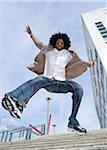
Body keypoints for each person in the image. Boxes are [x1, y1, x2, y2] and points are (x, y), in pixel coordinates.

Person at [1, 26, 95, 133]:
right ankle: (16, 101)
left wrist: (89, 64)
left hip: (62, 83)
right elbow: (39, 44)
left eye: (62, 43)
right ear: (54, 43)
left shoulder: (69, 54)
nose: (59, 45)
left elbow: (80, 61)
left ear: (65, 44)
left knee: (78, 88)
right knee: (39, 80)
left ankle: (73, 122)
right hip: (48, 81)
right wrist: (32, 35)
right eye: (58, 43)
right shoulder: (48, 50)